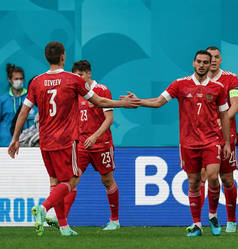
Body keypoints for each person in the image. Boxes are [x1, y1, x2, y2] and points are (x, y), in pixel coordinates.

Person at [8, 41, 139, 237]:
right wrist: (123, 104)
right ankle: (44, 208)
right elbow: (99, 101)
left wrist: (15, 138)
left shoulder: (36, 82)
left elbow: (23, 111)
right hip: (67, 141)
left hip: (45, 141)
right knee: (69, 181)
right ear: (63, 57)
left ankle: (64, 227)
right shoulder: (72, 80)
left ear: (46, 58)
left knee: (56, 181)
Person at [121, 50, 231, 237]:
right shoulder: (180, 84)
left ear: (210, 63)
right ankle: (197, 224)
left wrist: (227, 142)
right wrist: (137, 101)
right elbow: (158, 102)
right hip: (188, 142)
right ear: (193, 63)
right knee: (194, 182)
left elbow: (224, 116)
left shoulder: (218, 87)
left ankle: (213, 215)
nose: (202, 65)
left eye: (206, 62)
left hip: (212, 140)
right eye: (199, 61)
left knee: (213, 176)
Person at [45, 60, 120, 231]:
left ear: (88, 74)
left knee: (107, 181)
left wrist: (95, 136)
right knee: (72, 180)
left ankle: (114, 220)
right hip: (81, 145)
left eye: (80, 75)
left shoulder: (101, 90)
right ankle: (60, 218)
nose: (77, 78)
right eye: (75, 75)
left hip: (101, 143)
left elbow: (109, 119)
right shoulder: (74, 92)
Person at [203, 46, 238, 232]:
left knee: (226, 179)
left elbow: (235, 105)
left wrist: (220, 120)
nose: (214, 60)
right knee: (206, 177)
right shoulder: (198, 81)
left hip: (226, 135)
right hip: (204, 138)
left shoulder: (231, 79)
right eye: (210, 57)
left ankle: (232, 220)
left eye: (217, 57)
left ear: (221, 59)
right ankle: (212, 215)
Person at [0, 64, 36, 146]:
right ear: (10, 80)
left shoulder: (30, 98)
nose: (19, 81)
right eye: (16, 79)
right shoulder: (2, 100)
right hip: (5, 144)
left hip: (26, 144)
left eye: (21, 79)